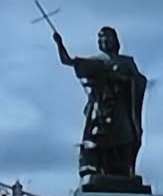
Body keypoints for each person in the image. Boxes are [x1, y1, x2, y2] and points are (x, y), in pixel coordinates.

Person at [53, 27, 147, 179]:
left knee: (126, 138)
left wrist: (118, 78)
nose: (104, 41)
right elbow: (67, 61)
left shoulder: (126, 62)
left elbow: (139, 81)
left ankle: (124, 173)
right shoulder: (95, 62)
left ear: (115, 41)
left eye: (108, 38)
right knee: (96, 139)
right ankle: (96, 170)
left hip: (119, 108)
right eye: (101, 38)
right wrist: (59, 43)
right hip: (101, 108)